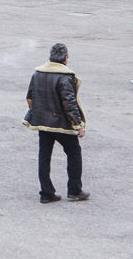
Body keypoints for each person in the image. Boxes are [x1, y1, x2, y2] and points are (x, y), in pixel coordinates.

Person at [24, 43, 89, 203]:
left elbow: (30, 98)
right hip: (61, 123)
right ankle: (74, 189)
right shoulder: (65, 76)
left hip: (42, 122)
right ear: (65, 59)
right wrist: (78, 125)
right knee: (74, 153)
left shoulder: (37, 74)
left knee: (44, 156)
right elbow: (69, 103)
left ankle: (46, 193)